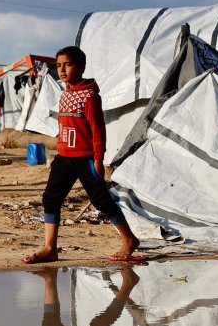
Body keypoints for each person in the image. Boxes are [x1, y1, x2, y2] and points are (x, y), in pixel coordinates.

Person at [24, 46, 140, 264]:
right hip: (65, 156)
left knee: (101, 201)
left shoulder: (90, 96)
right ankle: (50, 248)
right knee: (51, 199)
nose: (62, 70)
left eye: (67, 64)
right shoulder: (65, 94)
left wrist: (98, 159)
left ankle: (129, 239)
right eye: (58, 65)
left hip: (85, 157)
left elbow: (98, 130)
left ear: (81, 67)